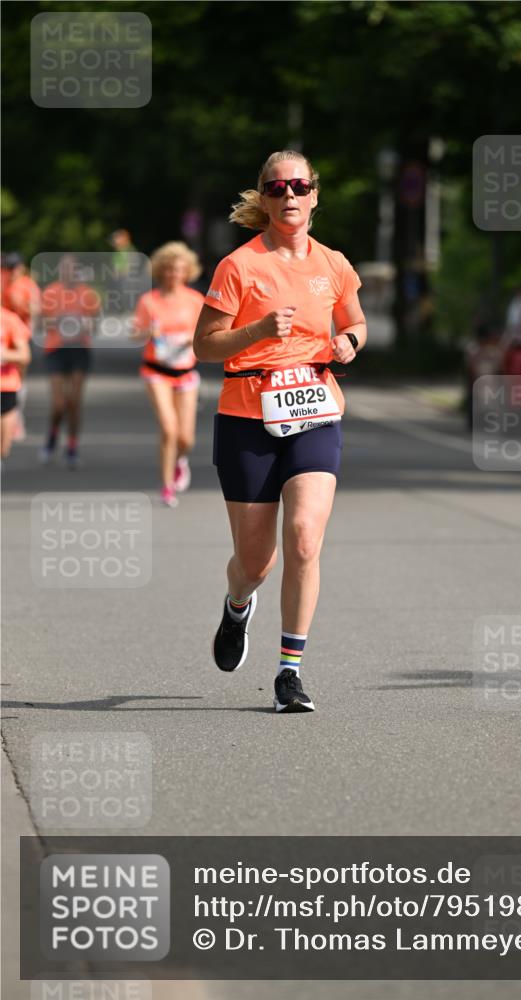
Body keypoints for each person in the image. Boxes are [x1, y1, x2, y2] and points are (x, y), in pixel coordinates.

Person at [194, 149, 367, 713]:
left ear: (315, 194)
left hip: (315, 409)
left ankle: (289, 672)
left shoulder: (334, 264)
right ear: (264, 199)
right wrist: (259, 329)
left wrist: (351, 343)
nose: (289, 196)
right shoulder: (239, 266)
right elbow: (205, 344)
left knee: (304, 538)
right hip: (248, 415)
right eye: (277, 188)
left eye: (299, 186)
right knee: (256, 561)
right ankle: (238, 604)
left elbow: (356, 320)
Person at [133, 242, 204, 507]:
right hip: (156, 371)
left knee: (186, 437)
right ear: (161, 271)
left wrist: (190, 339)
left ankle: (180, 460)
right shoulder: (149, 301)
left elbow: (206, 334)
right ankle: (166, 486)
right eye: (169, 269)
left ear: (187, 272)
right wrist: (147, 334)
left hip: (185, 371)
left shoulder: (195, 301)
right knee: (168, 428)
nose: (174, 274)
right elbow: (134, 333)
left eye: (179, 269)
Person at [40, 254, 100, 468]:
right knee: (58, 404)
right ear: (59, 271)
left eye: (73, 269)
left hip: (79, 349)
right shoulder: (50, 292)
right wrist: (60, 320)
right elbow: (42, 324)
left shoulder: (88, 293)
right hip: (55, 348)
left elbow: (95, 324)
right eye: (65, 269)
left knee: (74, 401)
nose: (69, 273)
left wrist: (83, 324)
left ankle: (72, 448)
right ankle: (52, 437)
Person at [1, 252, 41, 441]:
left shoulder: (27, 284)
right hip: (3, 333)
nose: (12, 272)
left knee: (18, 378)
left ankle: (16, 417)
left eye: (15, 267)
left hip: (21, 335)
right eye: (9, 268)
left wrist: (23, 307)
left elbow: (36, 310)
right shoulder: (3, 280)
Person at [1, 306, 31, 458]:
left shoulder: (9, 319)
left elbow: (25, 355)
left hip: (5, 386)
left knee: (3, 449)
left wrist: (4, 354)